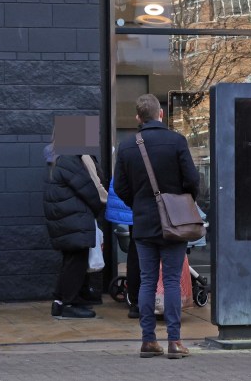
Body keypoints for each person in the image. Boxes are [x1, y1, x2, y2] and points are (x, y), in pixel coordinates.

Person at [114, 93, 200, 359]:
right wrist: (181, 203)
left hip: (143, 223)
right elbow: (193, 180)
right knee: (172, 280)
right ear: (161, 114)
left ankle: (148, 340)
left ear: (138, 118)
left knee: (147, 281)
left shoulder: (127, 146)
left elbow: (120, 187)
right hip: (174, 223)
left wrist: (139, 205)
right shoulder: (176, 141)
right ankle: (174, 341)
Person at [43, 144, 105, 319]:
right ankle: (68, 304)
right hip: (75, 219)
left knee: (70, 261)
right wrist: (98, 208)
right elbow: (88, 189)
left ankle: (60, 302)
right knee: (76, 262)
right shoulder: (70, 160)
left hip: (65, 220)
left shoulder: (58, 159)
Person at [106, 177, 140, 319]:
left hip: (136, 208)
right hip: (155, 208)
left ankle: (135, 302)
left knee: (136, 251)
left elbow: (120, 184)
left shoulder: (126, 153)